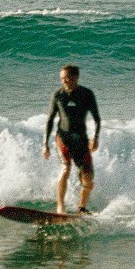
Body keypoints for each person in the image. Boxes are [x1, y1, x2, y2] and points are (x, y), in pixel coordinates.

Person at [43, 64, 101, 215]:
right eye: (62, 78)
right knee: (66, 168)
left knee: (88, 179)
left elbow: (97, 119)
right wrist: (45, 144)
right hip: (63, 137)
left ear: (76, 77)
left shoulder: (87, 94)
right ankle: (60, 207)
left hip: (81, 140)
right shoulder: (58, 95)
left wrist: (95, 138)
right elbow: (50, 119)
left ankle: (81, 208)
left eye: (67, 78)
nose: (64, 81)